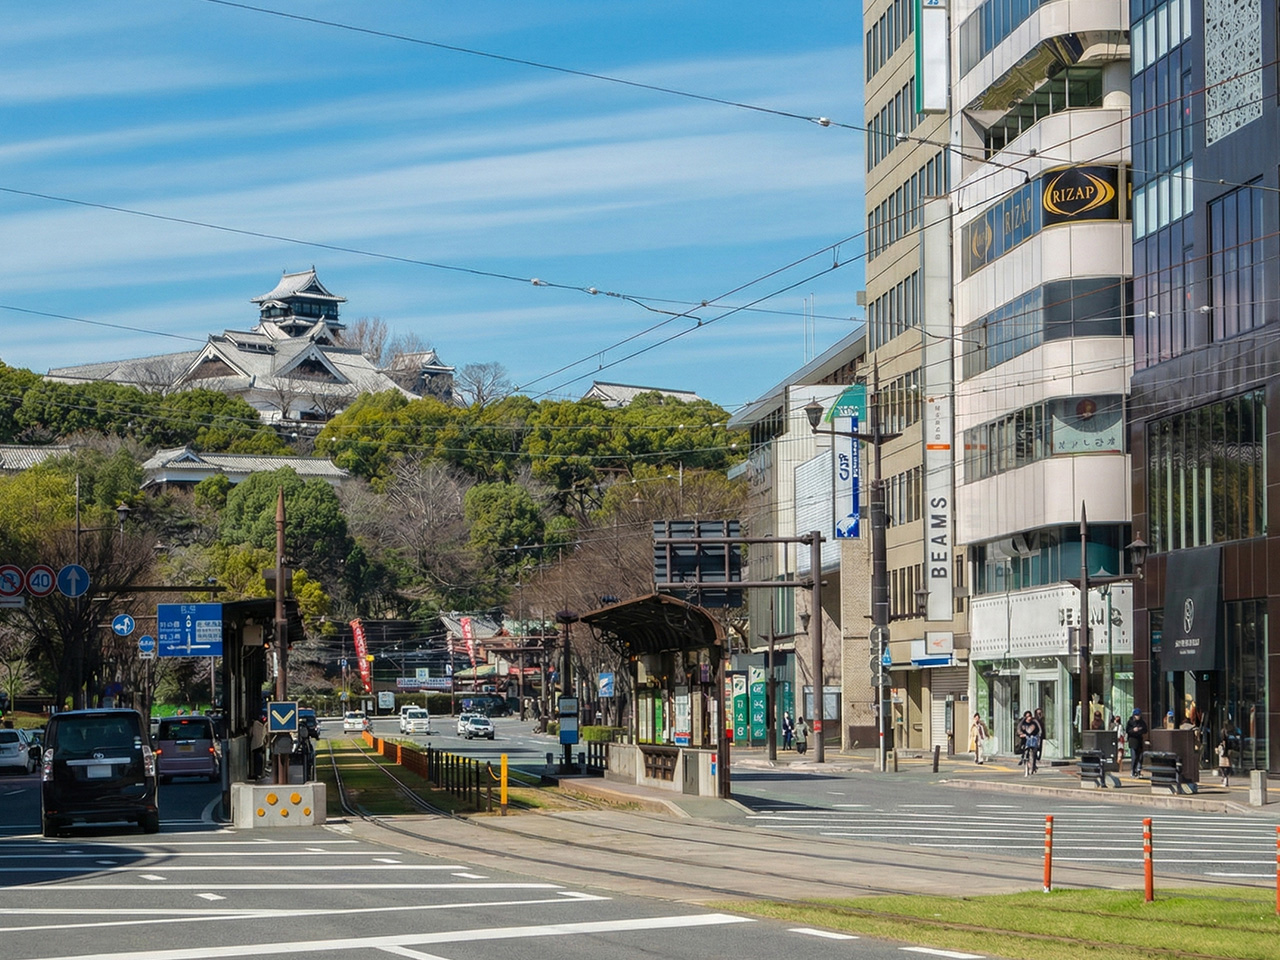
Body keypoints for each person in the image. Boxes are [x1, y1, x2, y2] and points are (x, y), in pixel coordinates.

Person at [1125, 708, 1149, 777]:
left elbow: (1145, 729)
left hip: (1139, 740)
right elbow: (1128, 730)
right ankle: (1133, 770)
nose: (1138, 716)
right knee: (1134, 756)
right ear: (1134, 715)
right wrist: (1133, 730)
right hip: (1132, 740)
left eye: (1139, 715)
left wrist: (1139, 730)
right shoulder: (1130, 722)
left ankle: (1138, 770)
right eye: (1137, 715)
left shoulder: (1141, 722)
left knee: (1140, 756)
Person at [1017, 710, 1040, 775]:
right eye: (1027, 717)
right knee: (1024, 750)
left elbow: (1039, 730)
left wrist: (1037, 736)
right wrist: (1021, 734)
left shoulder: (1034, 723)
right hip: (1025, 740)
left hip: (1033, 739)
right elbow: (1019, 730)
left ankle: (1033, 765)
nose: (1029, 718)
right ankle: (1024, 759)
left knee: (1034, 752)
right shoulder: (1022, 723)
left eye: (1029, 716)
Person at [249, 714, 266, 780]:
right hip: (261, 744)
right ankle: (259, 772)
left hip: (255, 744)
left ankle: (256, 773)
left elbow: (251, 733)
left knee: (255, 758)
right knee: (259, 758)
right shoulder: (262, 726)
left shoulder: (254, 724)